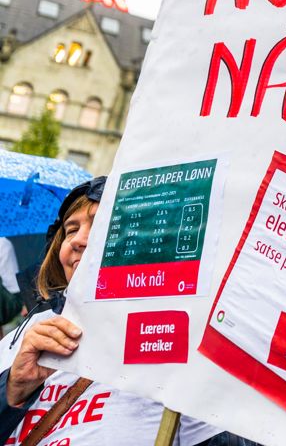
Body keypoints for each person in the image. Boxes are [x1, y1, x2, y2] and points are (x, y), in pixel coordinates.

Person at [0, 177, 253, 445]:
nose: (79, 240)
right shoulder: (32, 330)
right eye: (70, 229)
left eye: (103, 226)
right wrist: (13, 388)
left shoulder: (174, 334)